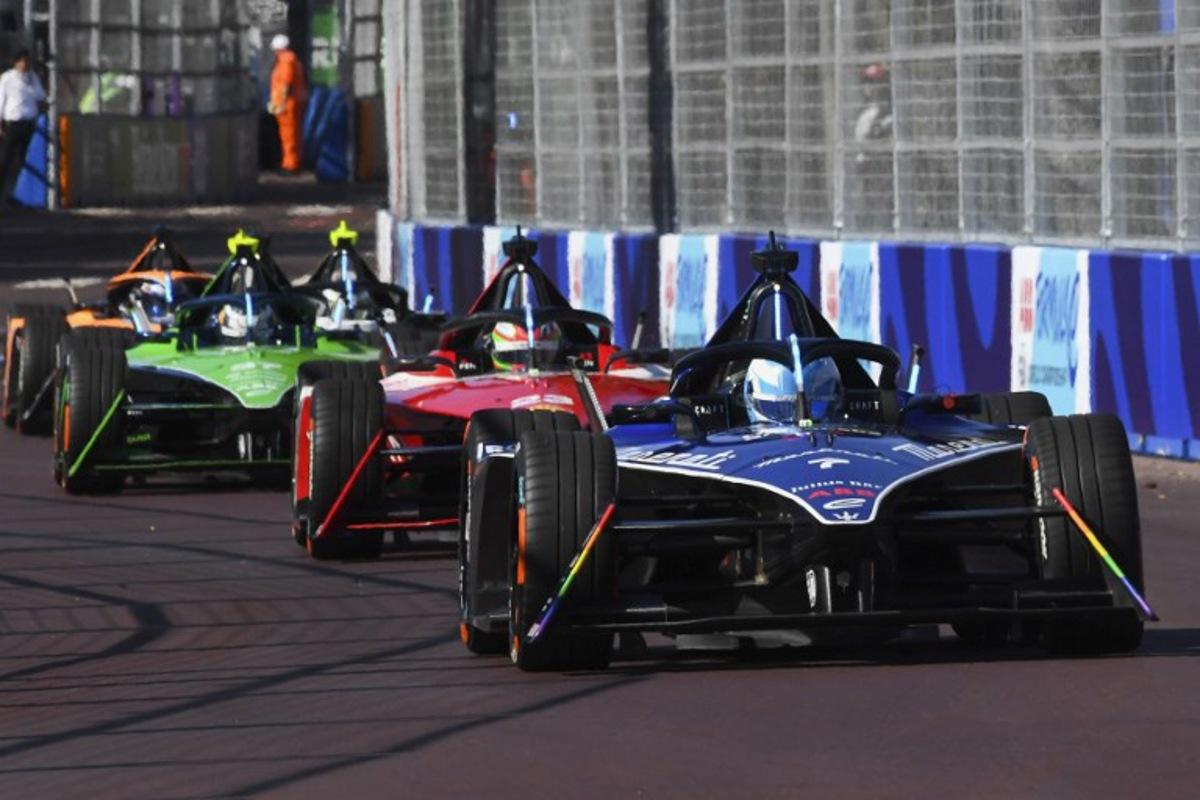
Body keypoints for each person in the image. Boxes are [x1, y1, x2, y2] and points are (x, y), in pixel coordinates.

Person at [0, 50, 48, 206]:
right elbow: (1, 100)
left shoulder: (32, 78)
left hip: (29, 123)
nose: (24, 64)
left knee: (22, 160)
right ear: (16, 62)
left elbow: (40, 96)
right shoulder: (7, 78)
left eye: (27, 61)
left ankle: (14, 194)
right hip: (13, 123)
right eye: (22, 61)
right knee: (6, 159)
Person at [268, 34, 307, 173]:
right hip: (291, 101)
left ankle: (290, 165)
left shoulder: (286, 60)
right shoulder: (292, 59)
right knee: (293, 134)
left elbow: (285, 83)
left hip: (287, 103)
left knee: (288, 135)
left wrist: (281, 103)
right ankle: (292, 162)